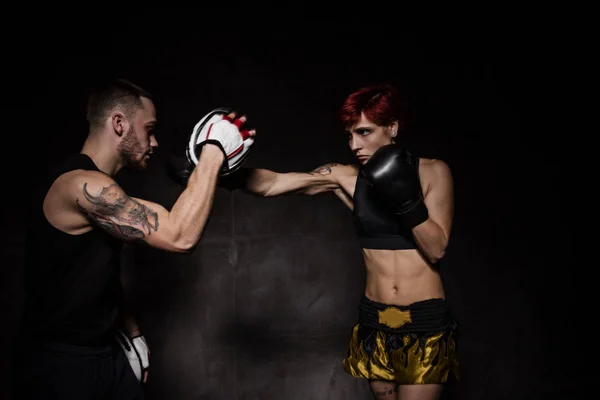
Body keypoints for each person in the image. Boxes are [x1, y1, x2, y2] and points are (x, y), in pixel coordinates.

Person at [12, 78, 256, 399]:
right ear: (119, 124)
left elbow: (94, 272)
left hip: (105, 354)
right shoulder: (80, 186)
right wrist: (214, 150)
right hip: (59, 365)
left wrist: (133, 333)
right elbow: (180, 236)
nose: (153, 143)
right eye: (149, 129)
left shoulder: (99, 186)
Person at [228, 84, 459, 400]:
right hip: (373, 319)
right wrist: (220, 172)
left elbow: (437, 248)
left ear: (392, 127)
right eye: (349, 136)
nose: (355, 144)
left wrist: (405, 198)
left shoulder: (433, 171)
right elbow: (274, 184)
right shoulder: (345, 176)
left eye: (364, 132)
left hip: (422, 321)